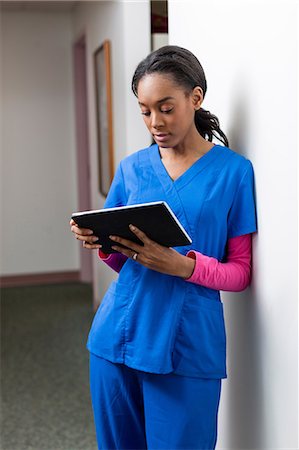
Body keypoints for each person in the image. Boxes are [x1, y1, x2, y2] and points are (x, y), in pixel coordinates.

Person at [70, 45, 257, 450]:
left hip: (187, 346)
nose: (155, 121)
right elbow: (127, 259)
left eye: (166, 107)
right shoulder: (132, 168)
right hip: (116, 336)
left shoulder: (234, 173)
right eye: (144, 110)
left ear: (195, 97)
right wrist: (102, 243)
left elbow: (241, 272)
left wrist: (183, 266)